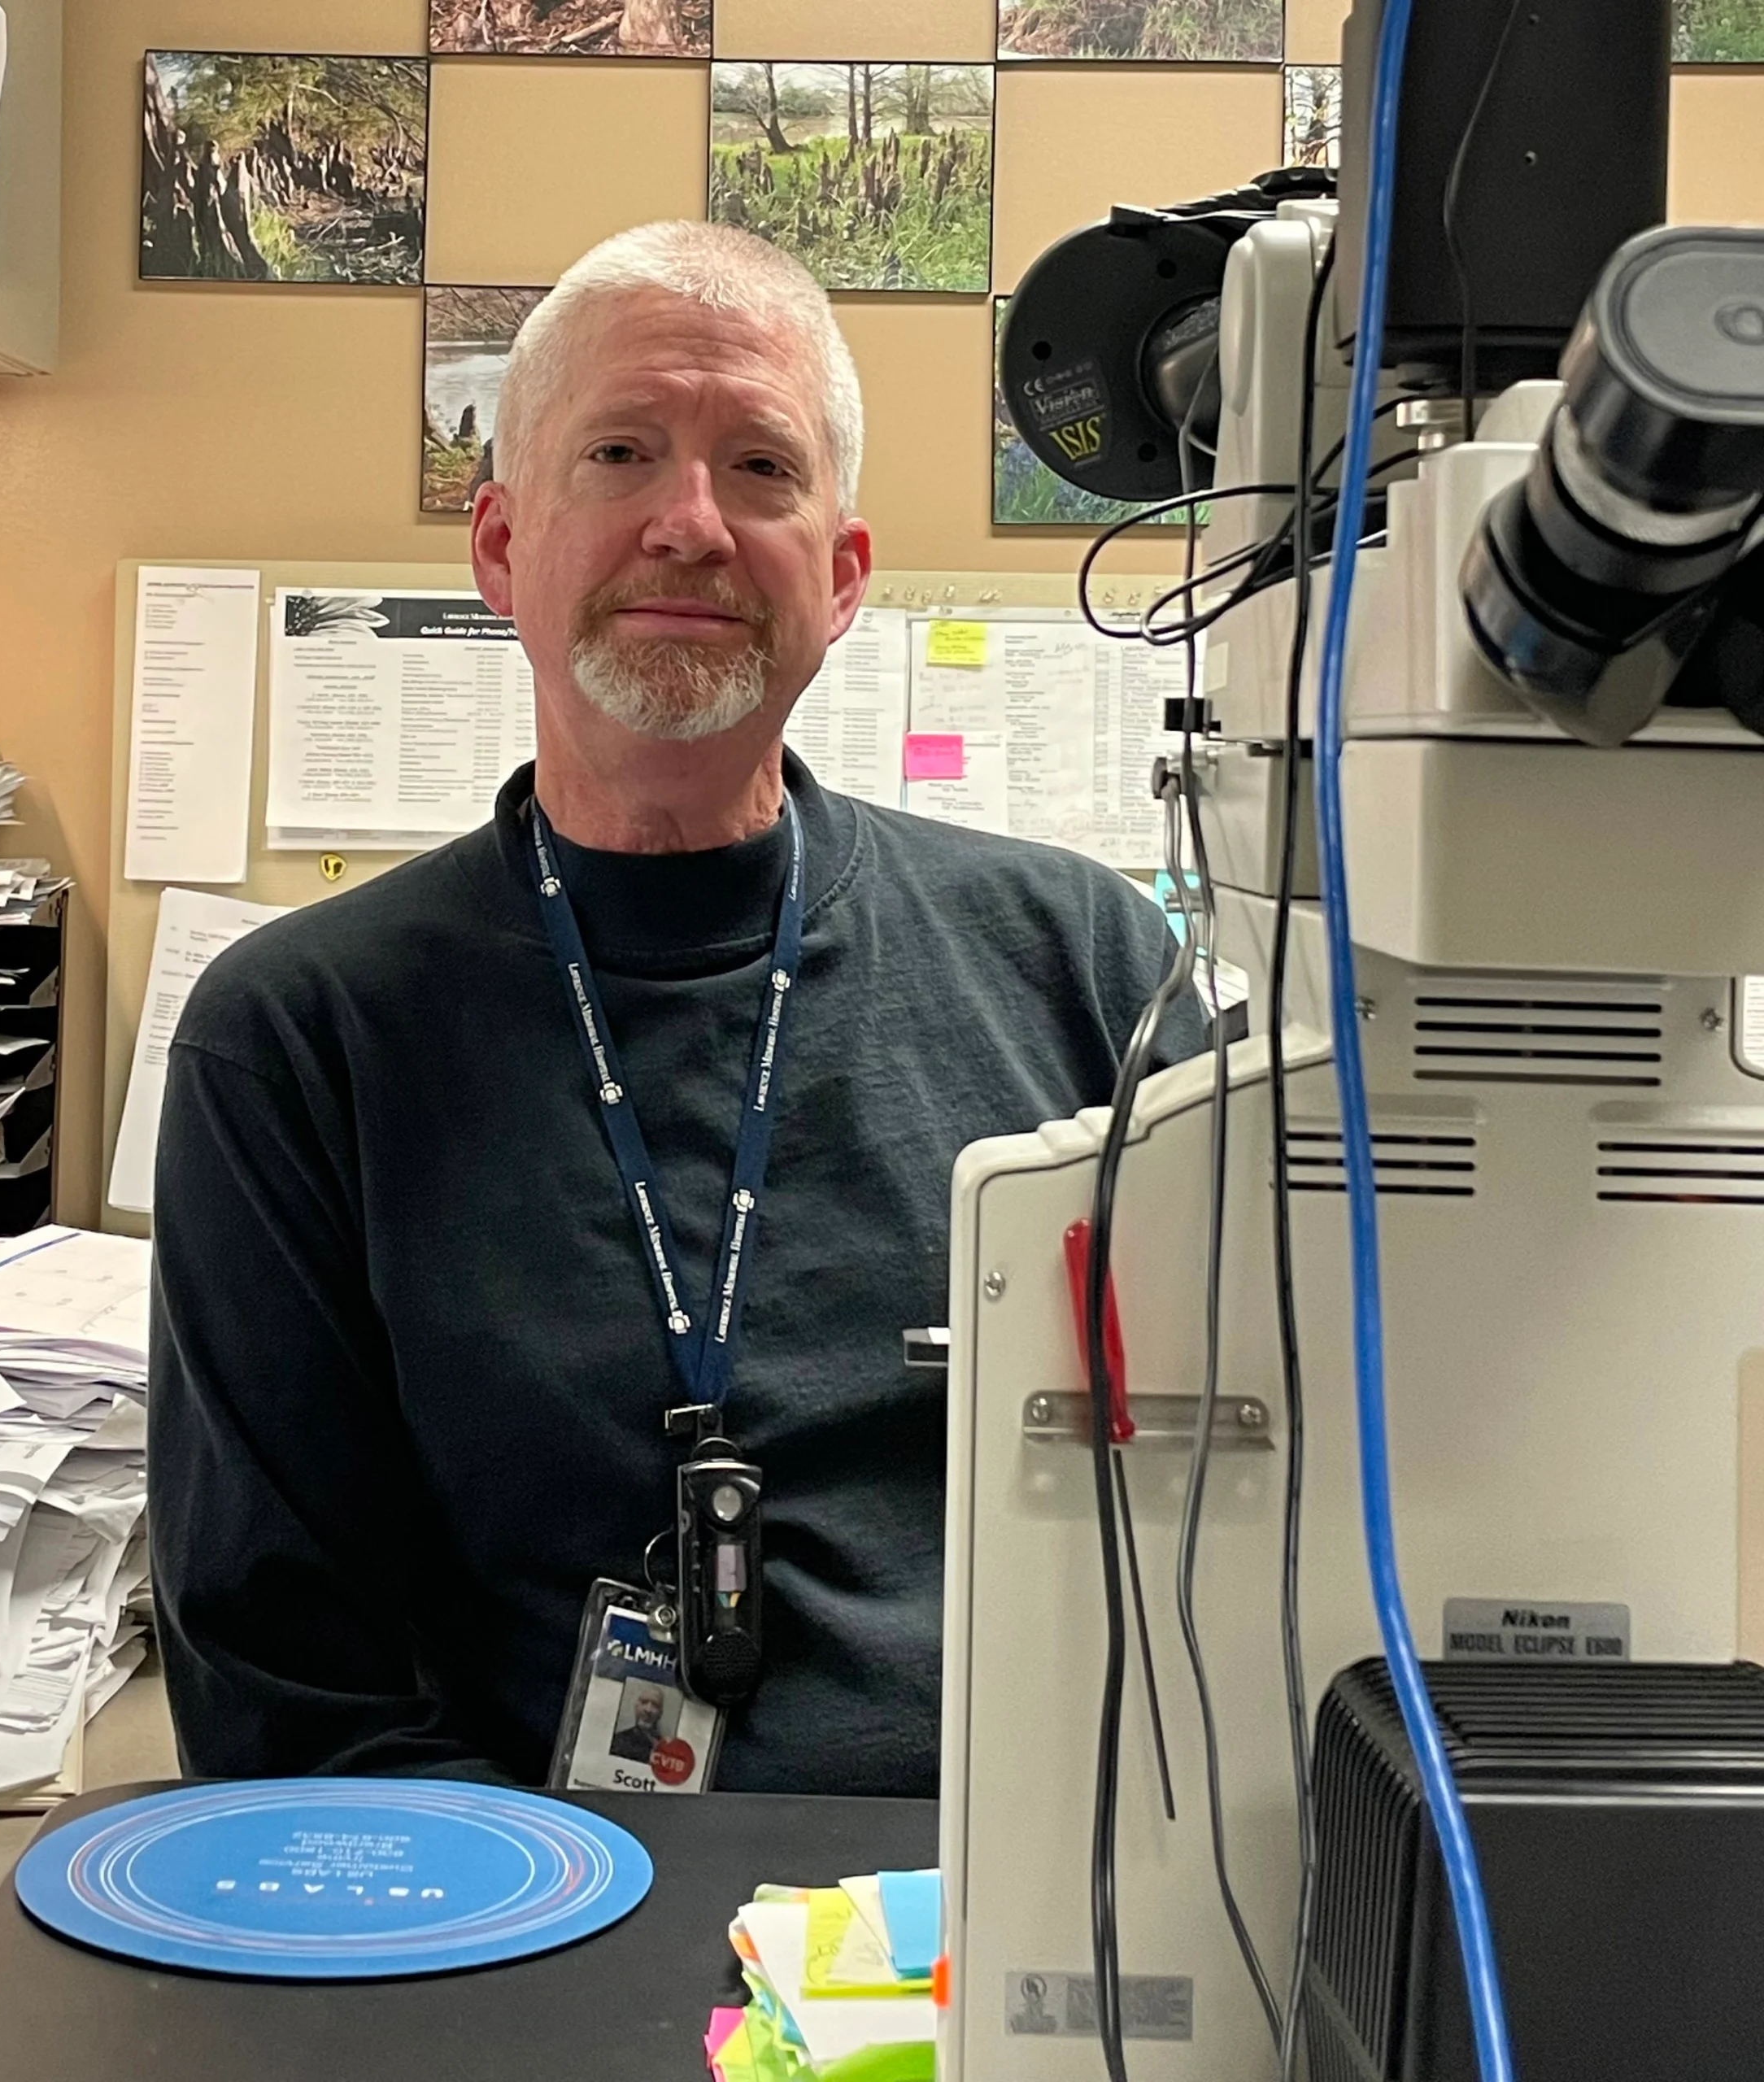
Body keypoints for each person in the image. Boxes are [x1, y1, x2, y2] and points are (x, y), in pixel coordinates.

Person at [149, 220, 1204, 1799]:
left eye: (761, 468)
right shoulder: (297, 1039)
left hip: (1021, 1922)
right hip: (516, 1937)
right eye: (622, 451)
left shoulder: (1083, 964)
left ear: (840, 578)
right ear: (501, 548)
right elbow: (286, 1692)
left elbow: (1240, 1532)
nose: (689, 524)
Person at [610, 1688, 669, 1764]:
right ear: (636, 1707)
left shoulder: (666, 1749)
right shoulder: (618, 1740)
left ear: (660, 1713)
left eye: (655, 1705)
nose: (648, 1710)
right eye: (644, 1702)